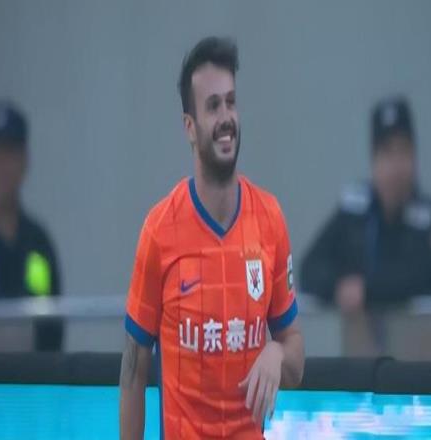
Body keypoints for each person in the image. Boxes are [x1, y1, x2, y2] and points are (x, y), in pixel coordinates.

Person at [120, 37, 304, 439]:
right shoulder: (160, 229)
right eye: (213, 106)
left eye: (231, 103)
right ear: (190, 127)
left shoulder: (270, 219)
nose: (226, 118)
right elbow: (133, 368)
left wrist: (276, 352)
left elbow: (295, 353)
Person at [299, 96, 431, 313]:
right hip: (360, 336)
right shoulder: (355, 210)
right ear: (374, 160)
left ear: (414, 156)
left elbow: (422, 278)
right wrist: (339, 288)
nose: (396, 165)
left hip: (417, 335)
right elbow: (310, 268)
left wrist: (367, 290)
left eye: (403, 151)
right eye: (387, 153)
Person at [0, 100, 62, 350]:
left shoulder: (39, 243)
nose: (0, 165)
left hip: (28, 373)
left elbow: (53, 329)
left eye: (9, 152)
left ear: (24, 161)